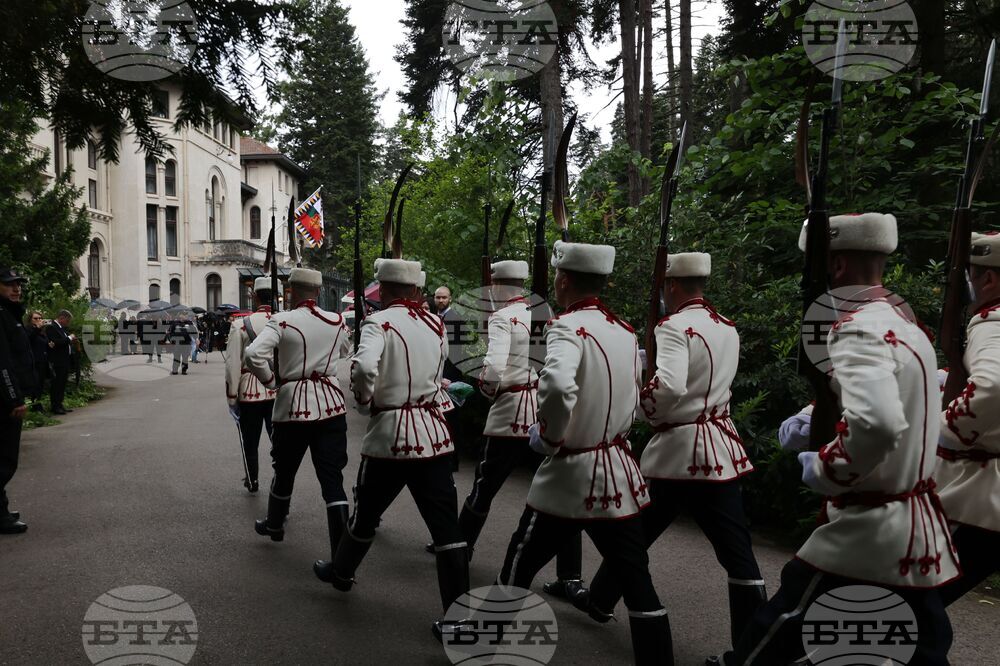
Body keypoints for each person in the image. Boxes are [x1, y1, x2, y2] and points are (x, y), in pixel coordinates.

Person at [724, 213, 959, 665]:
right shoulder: (907, 326)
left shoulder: (854, 328)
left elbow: (878, 423)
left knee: (772, 638)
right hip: (913, 529)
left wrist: (828, 467)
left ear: (833, 267)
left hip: (868, 531)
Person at [486, 241, 673, 664]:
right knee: (636, 577)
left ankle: (484, 639)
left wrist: (549, 438)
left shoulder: (566, 326)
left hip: (570, 471)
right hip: (618, 470)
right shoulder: (624, 330)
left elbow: (555, 387)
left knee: (520, 557)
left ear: (564, 278)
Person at [580, 252, 765, 658]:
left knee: (638, 532)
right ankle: (753, 648)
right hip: (720, 450)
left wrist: (646, 410)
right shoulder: (727, 327)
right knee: (737, 553)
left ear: (672, 286)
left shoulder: (673, 327)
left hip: (679, 452)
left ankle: (600, 598)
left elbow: (670, 387)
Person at [330, 258, 469, 639]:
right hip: (432, 434)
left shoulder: (377, 322)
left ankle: (341, 572)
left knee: (367, 513)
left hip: (390, 436)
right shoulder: (434, 322)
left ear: (384, 288)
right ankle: (459, 618)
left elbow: (363, 369)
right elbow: (438, 375)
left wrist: (364, 401)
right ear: (414, 289)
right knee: (447, 530)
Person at [456, 260, 585, 601]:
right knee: (559, 495)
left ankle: (460, 548)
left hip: (510, 413)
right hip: (542, 411)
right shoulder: (545, 315)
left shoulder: (502, 318)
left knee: (484, 487)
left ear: (498, 286)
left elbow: (495, 368)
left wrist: (485, 389)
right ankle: (570, 575)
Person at [246, 268, 353, 577]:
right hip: (331, 405)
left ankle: (275, 524)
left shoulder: (281, 321)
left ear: (291, 292)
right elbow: (346, 351)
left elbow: (254, 354)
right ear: (318, 292)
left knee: (285, 468)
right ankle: (342, 561)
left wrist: (270, 380)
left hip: (292, 403)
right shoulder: (336, 321)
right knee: (333, 481)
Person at [935, 231, 1000, 607]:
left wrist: (945, 429)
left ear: (988, 280)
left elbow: (992, 385)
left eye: (970, 277)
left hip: (977, 496)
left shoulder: (992, 322)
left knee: (912, 600)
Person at [225, 278, 277, 494]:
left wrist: (231, 395)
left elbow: (233, 364)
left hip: (250, 391)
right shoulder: (282, 321)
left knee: (250, 441)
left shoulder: (240, 325)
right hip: (278, 389)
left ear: (254, 296)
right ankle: (280, 480)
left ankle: (253, 479)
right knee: (280, 442)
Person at [0, 267, 36, 534]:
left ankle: (1, 509)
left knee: (4, 459)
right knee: (4, 460)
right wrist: (14, 399)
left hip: (8, 398)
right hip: (4, 402)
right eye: (9, 284)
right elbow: (3, 364)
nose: (16, 288)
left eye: (18, 284)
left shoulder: (9, 314)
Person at [45, 309, 75, 415]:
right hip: (57, 361)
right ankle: (55, 406)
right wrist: (69, 338)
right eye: (67, 321)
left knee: (62, 384)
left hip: (64, 361)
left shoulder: (61, 328)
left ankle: (60, 404)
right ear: (62, 318)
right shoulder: (51, 327)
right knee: (57, 384)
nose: (68, 323)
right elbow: (56, 342)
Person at [26, 311, 48, 411]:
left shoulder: (41, 332)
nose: (39, 320)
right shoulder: (28, 329)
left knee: (40, 385)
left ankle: (38, 404)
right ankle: (35, 406)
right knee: (35, 385)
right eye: (35, 318)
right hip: (34, 362)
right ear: (30, 320)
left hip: (42, 362)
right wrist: (37, 328)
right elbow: (28, 339)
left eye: (40, 318)